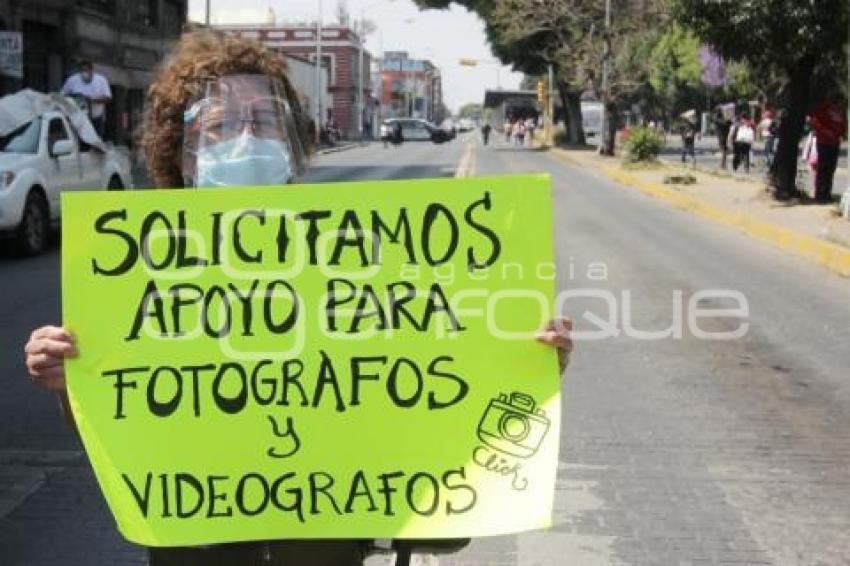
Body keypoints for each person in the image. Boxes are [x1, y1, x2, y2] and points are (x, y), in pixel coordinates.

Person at [23, 29, 573, 566]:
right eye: (220, 126)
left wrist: (520, 366)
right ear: (178, 147)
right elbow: (124, 432)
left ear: (292, 139)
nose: (245, 138)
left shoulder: (358, 263)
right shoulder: (138, 273)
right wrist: (67, 380)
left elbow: (434, 428)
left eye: (263, 121)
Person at [809, 91, 848, 203]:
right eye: (839, 102)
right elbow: (815, 122)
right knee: (823, 168)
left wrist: (842, 133)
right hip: (824, 142)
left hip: (835, 143)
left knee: (831, 169)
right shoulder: (824, 110)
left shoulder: (841, 112)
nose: (840, 105)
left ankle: (827, 193)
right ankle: (820, 194)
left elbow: (842, 126)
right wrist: (826, 132)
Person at [60, 60, 112, 139]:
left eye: (86, 70)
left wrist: (92, 100)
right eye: (82, 70)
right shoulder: (72, 80)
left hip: (96, 118)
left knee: (95, 140)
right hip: (77, 118)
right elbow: (62, 95)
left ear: (91, 71)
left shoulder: (101, 80)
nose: (84, 73)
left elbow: (108, 98)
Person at [713, 104, 733, 170]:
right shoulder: (719, 117)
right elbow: (726, 123)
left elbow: (727, 123)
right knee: (724, 150)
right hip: (723, 135)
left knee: (723, 150)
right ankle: (723, 164)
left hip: (722, 135)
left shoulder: (718, 117)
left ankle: (723, 165)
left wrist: (728, 119)